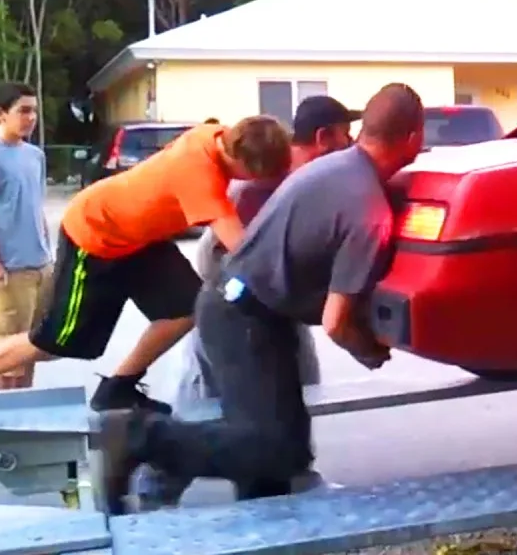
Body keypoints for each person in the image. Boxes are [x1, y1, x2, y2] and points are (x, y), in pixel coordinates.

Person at [95, 84, 425, 512]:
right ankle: (138, 437)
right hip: (244, 318)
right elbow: (335, 322)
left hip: (246, 309)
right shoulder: (367, 208)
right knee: (273, 449)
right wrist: (370, 350)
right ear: (413, 137)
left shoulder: (331, 168)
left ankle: (260, 525)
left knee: (284, 451)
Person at [0, 116, 293, 430]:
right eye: (253, 176)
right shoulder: (199, 176)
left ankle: (118, 387)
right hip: (95, 235)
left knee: (187, 307)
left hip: (139, 238)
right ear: (241, 161)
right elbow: (245, 252)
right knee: (55, 341)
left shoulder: (216, 134)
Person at [134, 95, 359, 509]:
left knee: (281, 408)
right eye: (346, 135)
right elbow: (228, 256)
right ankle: (153, 475)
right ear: (324, 137)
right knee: (205, 407)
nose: (351, 144)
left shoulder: (295, 177)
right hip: (237, 312)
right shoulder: (268, 181)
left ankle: (283, 486)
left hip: (267, 311)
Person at [0, 82, 54, 391]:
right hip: (10, 271)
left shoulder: (35, 156)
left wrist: (48, 255)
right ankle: (0, 416)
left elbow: (36, 206)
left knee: (31, 350)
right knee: (4, 358)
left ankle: (23, 413)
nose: (31, 118)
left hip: (40, 268)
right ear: (1, 114)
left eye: (34, 111)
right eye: (23, 111)